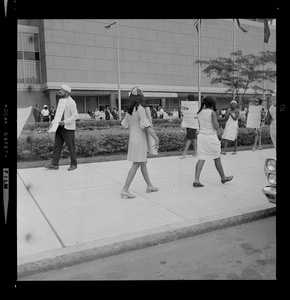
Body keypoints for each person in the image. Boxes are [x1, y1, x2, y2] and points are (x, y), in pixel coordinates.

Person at [121, 86, 160, 198]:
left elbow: (125, 124)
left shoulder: (130, 110)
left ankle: (149, 185)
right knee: (137, 163)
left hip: (133, 139)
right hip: (139, 140)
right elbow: (147, 125)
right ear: (141, 96)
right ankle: (125, 189)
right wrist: (156, 138)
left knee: (143, 162)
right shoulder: (140, 109)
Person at [192, 96, 233, 187]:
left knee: (201, 158)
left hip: (201, 137)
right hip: (210, 137)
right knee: (217, 157)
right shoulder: (212, 113)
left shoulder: (200, 112)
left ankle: (196, 180)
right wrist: (220, 130)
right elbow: (215, 126)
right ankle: (223, 177)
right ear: (213, 104)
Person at [45, 84, 78, 171]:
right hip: (59, 127)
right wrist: (52, 123)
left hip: (68, 128)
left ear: (67, 93)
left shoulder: (72, 102)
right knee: (57, 146)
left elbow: (75, 116)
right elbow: (58, 115)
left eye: (62, 90)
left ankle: (74, 164)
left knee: (71, 146)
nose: (60, 91)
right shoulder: (61, 101)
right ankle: (54, 164)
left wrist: (65, 122)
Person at [180, 94, 198, 158]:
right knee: (193, 138)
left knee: (189, 138)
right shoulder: (193, 106)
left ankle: (184, 153)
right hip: (190, 123)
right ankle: (196, 152)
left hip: (192, 124)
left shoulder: (194, 106)